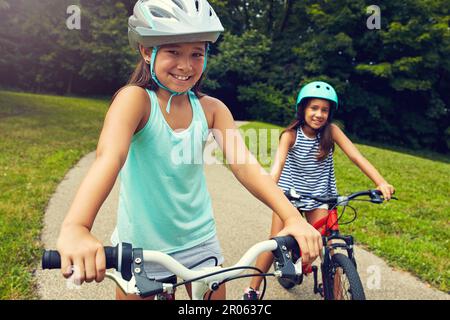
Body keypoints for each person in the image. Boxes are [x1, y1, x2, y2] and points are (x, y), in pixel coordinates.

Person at [55, 0, 322, 300]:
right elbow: (109, 157)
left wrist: (293, 218)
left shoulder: (212, 109)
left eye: (197, 53)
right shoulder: (135, 100)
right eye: (173, 51)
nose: (186, 65)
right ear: (146, 51)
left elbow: (245, 166)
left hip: (201, 243)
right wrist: (78, 225)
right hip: (142, 248)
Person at [242, 81, 395, 300]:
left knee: (331, 245)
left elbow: (356, 156)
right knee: (275, 242)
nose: (319, 114)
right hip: (289, 196)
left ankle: (334, 293)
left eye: (324, 110)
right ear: (302, 109)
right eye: (314, 108)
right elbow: (277, 168)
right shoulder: (291, 135)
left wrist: (381, 182)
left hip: (321, 196)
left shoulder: (331, 131)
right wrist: (269, 191)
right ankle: (252, 290)